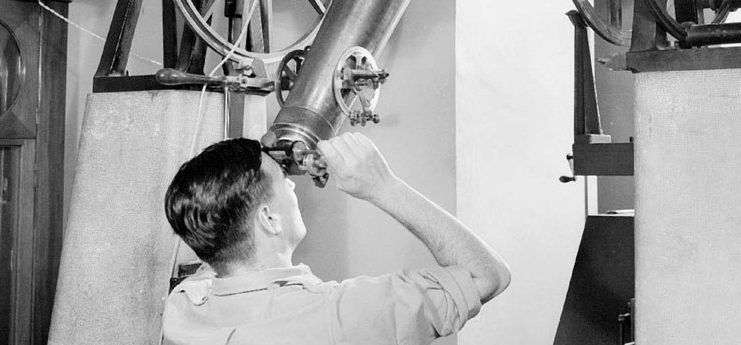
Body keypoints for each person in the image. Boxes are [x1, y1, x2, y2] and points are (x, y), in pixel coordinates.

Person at [162, 131, 511, 344]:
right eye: (281, 179)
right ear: (268, 219)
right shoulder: (338, 318)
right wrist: (382, 186)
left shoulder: (182, 307)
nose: (291, 182)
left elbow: (214, 229)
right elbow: (487, 276)